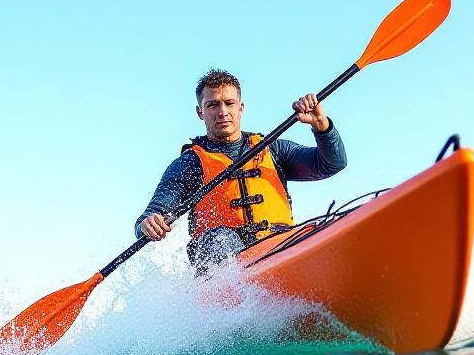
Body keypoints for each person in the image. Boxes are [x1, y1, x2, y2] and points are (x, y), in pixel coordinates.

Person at [136, 68, 347, 270]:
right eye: (213, 105)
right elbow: (150, 216)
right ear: (200, 112)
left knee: (311, 231)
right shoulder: (188, 164)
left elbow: (331, 163)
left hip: (276, 249)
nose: (223, 112)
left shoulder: (273, 149)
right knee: (222, 240)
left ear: (241, 107)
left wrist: (321, 125)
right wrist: (148, 223)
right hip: (220, 262)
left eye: (229, 103)